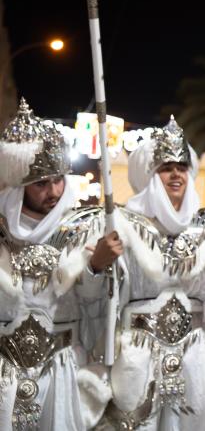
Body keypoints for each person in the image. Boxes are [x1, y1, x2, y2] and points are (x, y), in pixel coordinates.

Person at [96, 117, 205, 430]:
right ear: (149, 175)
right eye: (165, 167)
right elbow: (103, 297)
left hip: (193, 358)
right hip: (138, 359)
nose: (176, 173)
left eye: (182, 166)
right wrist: (98, 264)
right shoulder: (123, 226)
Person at [0, 98, 120, 429]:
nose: (53, 190)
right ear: (21, 185)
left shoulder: (83, 227)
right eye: (41, 183)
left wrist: (95, 265)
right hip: (4, 373)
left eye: (58, 180)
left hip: (60, 367)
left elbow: (93, 303)